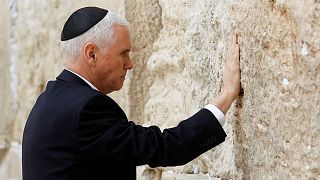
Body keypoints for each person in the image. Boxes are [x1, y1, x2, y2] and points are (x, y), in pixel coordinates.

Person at [22, 6, 240, 180]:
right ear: (92, 54)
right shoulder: (87, 109)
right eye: (123, 54)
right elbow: (163, 147)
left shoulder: (49, 100)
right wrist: (227, 95)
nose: (130, 64)